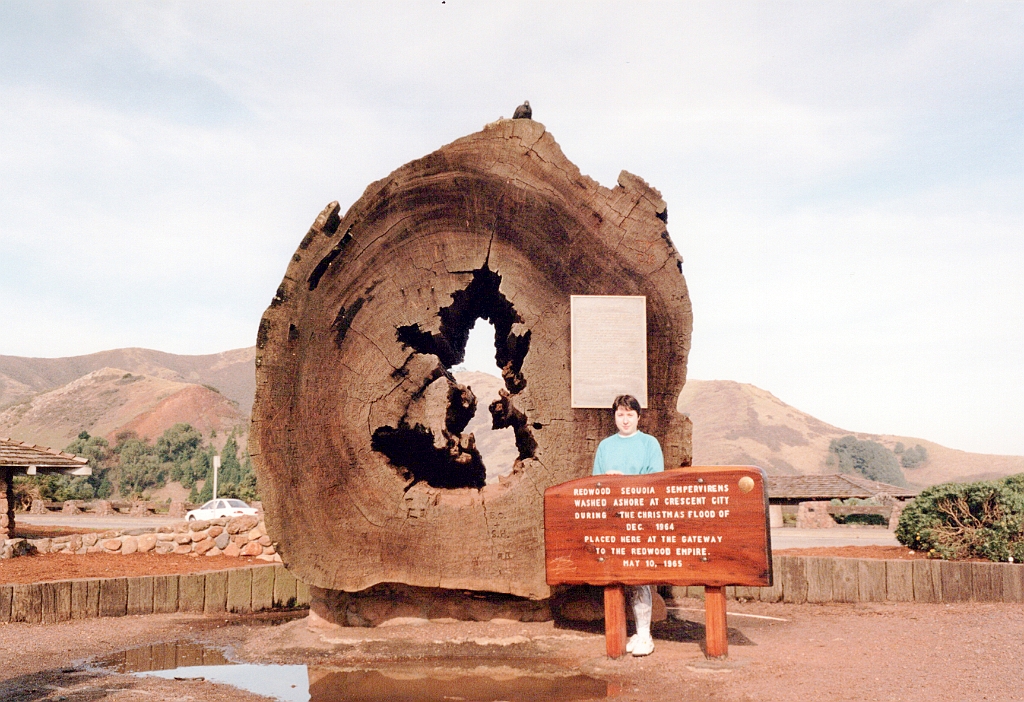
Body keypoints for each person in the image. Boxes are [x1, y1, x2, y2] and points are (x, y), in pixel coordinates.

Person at [592, 394, 664, 657]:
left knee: (639, 576)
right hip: (612, 518)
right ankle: (623, 632)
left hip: (640, 516)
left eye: (630, 414)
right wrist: (607, 481)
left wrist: (627, 481)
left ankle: (645, 634)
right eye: (620, 414)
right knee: (615, 575)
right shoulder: (605, 446)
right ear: (614, 417)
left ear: (638, 417)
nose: (625, 419)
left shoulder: (649, 444)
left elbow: (656, 479)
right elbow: (594, 483)